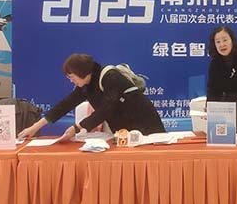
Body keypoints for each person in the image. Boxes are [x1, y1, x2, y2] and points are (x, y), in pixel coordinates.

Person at [18, 53, 165, 141]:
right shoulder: (86, 85)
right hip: (125, 134)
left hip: (147, 128)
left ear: (81, 72)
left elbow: (106, 110)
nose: (71, 81)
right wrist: (34, 127)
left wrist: (77, 128)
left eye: (72, 77)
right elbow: (64, 105)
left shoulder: (110, 77)